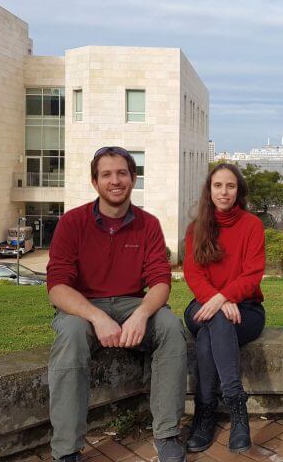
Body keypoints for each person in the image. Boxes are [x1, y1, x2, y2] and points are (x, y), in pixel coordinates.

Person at [46, 147, 188, 462]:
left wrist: (140, 314)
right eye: (107, 174)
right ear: (95, 182)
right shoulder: (72, 222)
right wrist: (96, 317)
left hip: (131, 303)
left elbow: (161, 281)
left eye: (122, 173)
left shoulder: (148, 224)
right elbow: (57, 287)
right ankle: (67, 449)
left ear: (133, 179)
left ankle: (166, 434)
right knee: (69, 336)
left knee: (169, 327)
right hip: (83, 306)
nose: (115, 181)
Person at [183, 163, 266, 454]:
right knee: (216, 320)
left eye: (230, 186)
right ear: (209, 190)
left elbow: (252, 274)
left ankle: (205, 413)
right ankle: (237, 411)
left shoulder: (252, 225)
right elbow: (193, 275)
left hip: (247, 311)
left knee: (209, 336)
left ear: (238, 190)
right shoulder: (196, 228)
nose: (224, 191)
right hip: (204, 306)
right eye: (218, 185)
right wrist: (218, 300)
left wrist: (223, 299)